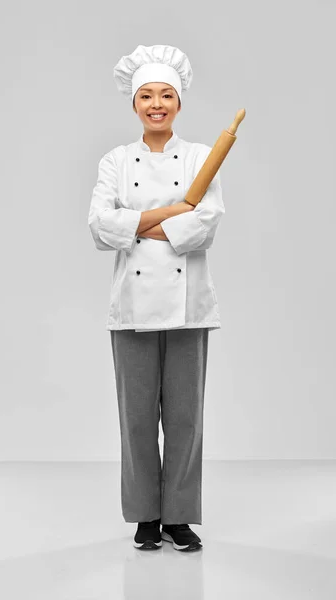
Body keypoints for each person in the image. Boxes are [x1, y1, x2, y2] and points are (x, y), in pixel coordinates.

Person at [88, 44, 225, 552]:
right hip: (131, 306)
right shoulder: (115, 161)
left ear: (179, 102)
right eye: (146, 95)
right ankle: (146, 516)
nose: (156, 103)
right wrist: (169, 214)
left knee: (186, 417)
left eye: (166, 94)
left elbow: (204, 225)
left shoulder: (198, 157)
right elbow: (101, 227)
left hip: (190, 305)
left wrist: (136, 224)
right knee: (138, 417)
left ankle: (180, 516)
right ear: (134, 104)